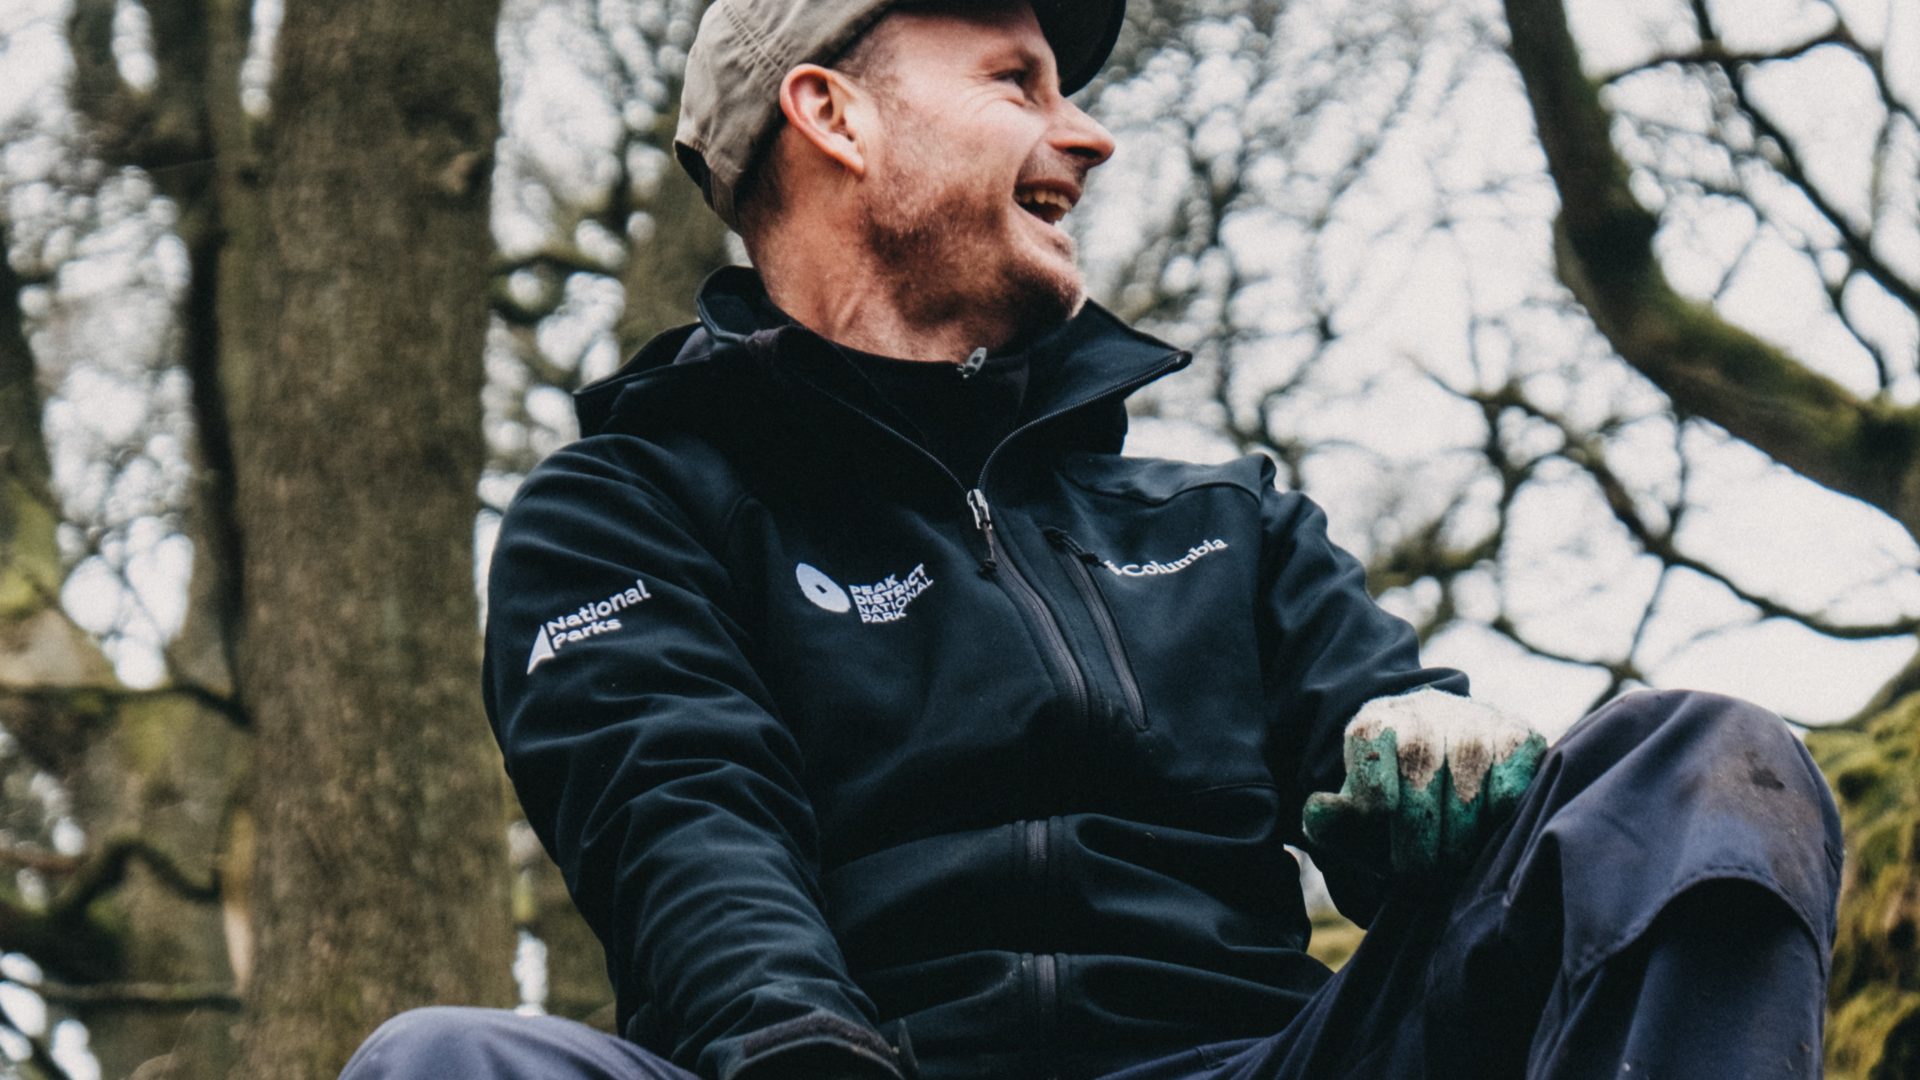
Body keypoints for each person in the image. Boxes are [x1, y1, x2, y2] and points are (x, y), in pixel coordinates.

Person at [341, 0, 1843, 1076]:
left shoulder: (1224, 524)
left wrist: (1442, 759)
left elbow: (1414, 776)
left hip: (1252, 1061)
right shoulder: (626, 511)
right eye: (1018, 78)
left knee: (1698, 764)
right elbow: (685, 823)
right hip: (829, 1062)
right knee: (446, 1062)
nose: (1088, 132)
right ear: (831, 114)